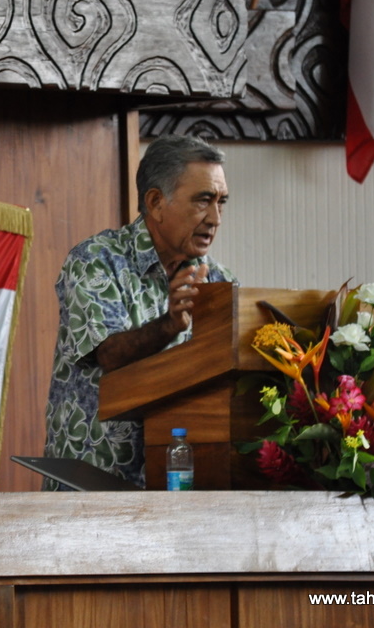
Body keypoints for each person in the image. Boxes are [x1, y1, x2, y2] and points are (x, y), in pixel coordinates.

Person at [43, 135, 235, 489]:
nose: (215, 218)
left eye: (221, 202)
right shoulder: (96, 261)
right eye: (203, 201)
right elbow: (109, 353)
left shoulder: (218, 280)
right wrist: (169, 325)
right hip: (93, 484)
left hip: (179, 484)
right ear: (156, 202)